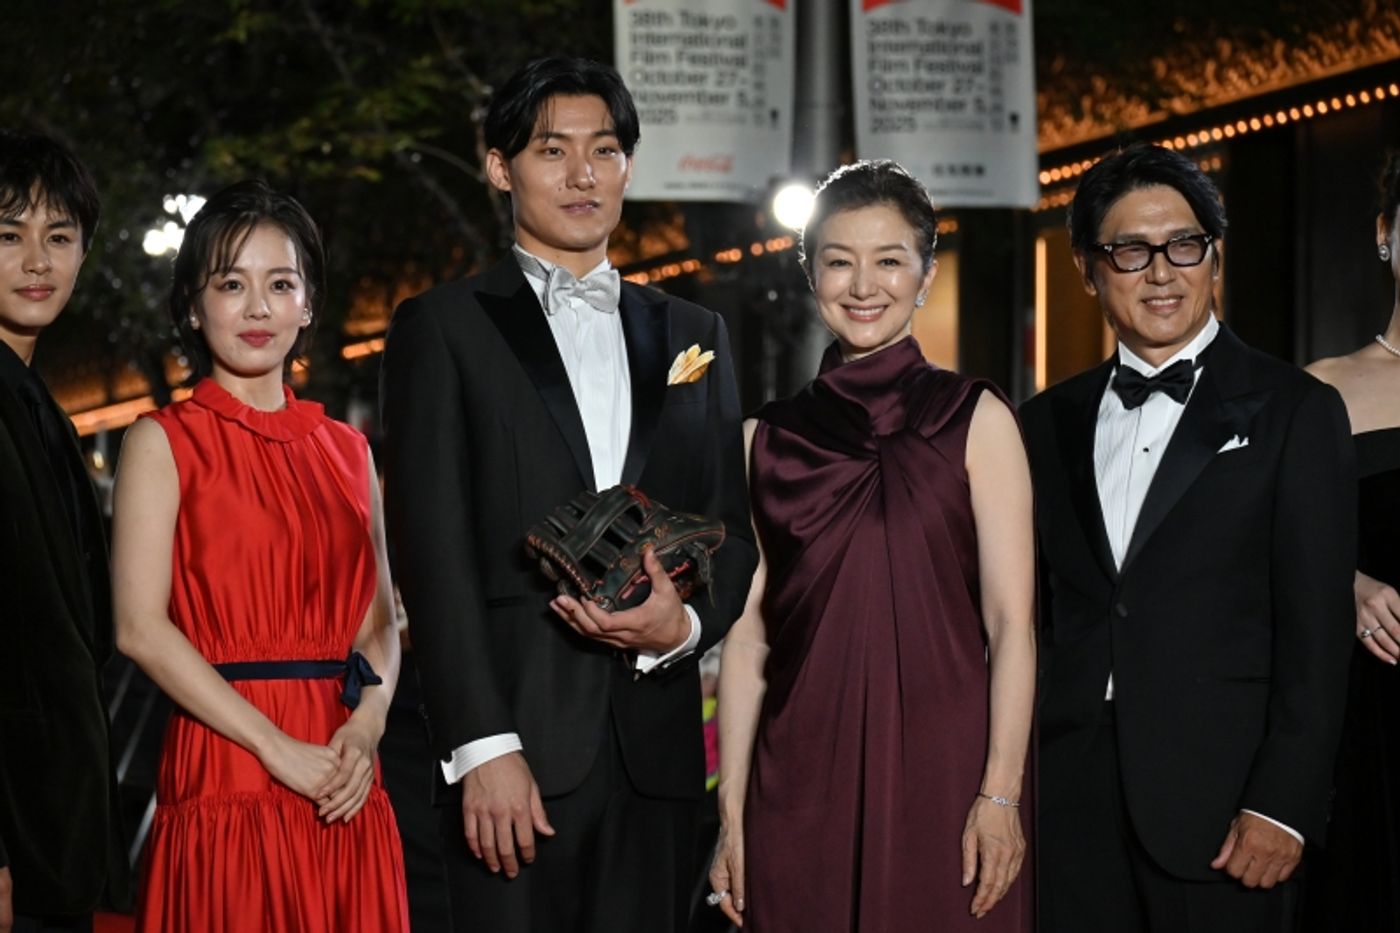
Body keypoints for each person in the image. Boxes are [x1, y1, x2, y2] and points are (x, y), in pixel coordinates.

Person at [379, 56, 757, 933]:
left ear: (630, 165)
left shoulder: (696, 334)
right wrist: (479, 745)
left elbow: (731, 539)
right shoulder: (442, 327)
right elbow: (431, 552)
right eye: (553, 150)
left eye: (606, 149)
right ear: (500, 167)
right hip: (512, 755)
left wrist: (686, 627)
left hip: (657, 759)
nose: (583, 174)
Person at [1020, 142, 1355, 932]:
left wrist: (1285, 802)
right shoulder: (1040, 423)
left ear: (1214, 256)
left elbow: (1317, 630)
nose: (1162, 272)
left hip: (1227, 815)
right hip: (1068, 806)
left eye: (1185, 245)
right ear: (1087, 268)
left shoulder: (1295, 411)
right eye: (1131, 251)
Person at [707, 160, 1036, 931]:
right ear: (809, 272)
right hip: (796, 776)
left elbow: (1013, 625)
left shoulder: (977, 419)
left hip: (948, 772)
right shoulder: (763, 440)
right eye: (839, 260)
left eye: (889, 260)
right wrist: (732, 808)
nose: (864, 285)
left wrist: (1000, 791)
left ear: (924, 274)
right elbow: (748, 637)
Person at [111, 180, 408, 932]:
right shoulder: (162, 440)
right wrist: (276, 749)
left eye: (280, 284)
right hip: (226, 759)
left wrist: (367, 727)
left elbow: (380, 624)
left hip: (343, 771)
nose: (256, 308)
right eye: (230, 285)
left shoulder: (348, 451)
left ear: (308, 304)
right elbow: (139, 629)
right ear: (191, 303)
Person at [0, 131, 129, 933]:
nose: (36, 260)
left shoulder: (36, 402)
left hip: (57, 824)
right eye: (7, 236)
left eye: (59, 237)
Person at [1301, 151, 1400, 932]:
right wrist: (1344, 582)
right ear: (1384, 233)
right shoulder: (1321, 390)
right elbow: (1260, 548)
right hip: (1369, 716)